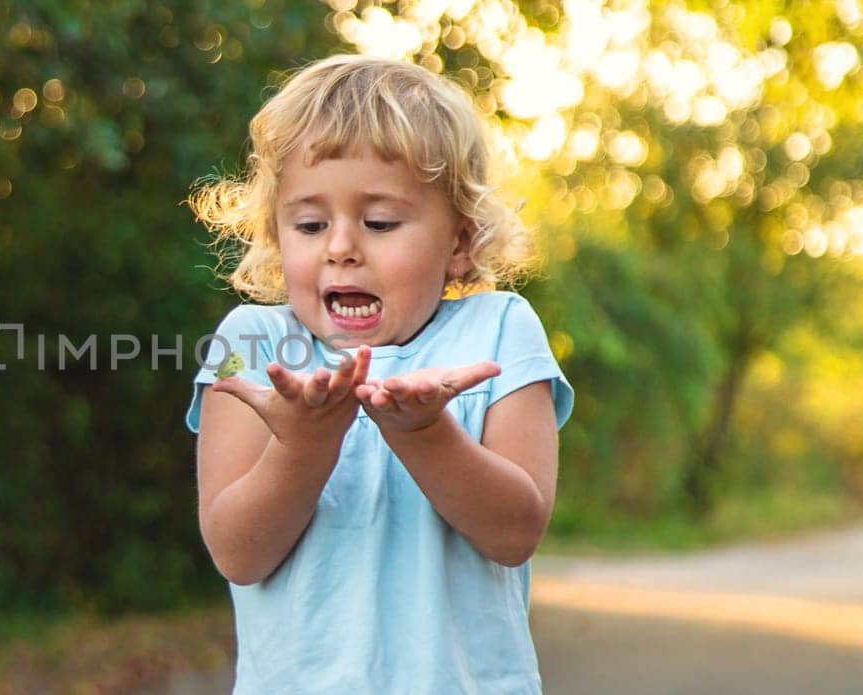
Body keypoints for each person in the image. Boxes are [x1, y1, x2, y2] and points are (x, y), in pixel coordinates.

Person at [183, 54, 575, 693]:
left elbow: (513, 533)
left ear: (460, 242)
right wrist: (302, 445)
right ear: (277, 236)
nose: (340, 246)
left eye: (380, 222)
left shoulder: (499, 331)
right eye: (309, 224)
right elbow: (238, 553)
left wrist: (424, 433)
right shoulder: (250, 345)